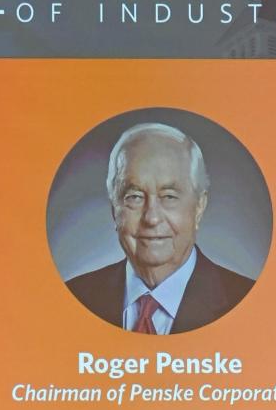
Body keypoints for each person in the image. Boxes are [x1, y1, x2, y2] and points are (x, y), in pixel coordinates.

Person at [65, 122, 255, 334]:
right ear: (114, 209)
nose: (152, 218)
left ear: (199, 207)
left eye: (169, 197)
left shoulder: (250, 303)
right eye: (135, 197)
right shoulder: (72, 298)